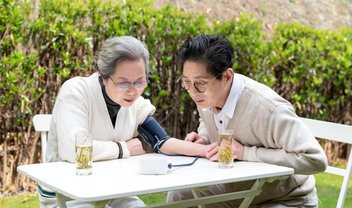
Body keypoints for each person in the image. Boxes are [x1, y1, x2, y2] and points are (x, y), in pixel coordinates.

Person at [41, 36, 209, 208]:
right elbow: (73, 150)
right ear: (104, 76)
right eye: (123, 83)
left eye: (139, 81)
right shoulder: (76, 92)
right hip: (66, 190)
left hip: (112, 187)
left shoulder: (135, 104)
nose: (132, 91)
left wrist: (206, 150)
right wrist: (123, 148)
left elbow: (162, 142)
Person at [167, 34, 328, 207]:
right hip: (239, 192)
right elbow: (205, 120)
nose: (192, 92)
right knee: (179, 195)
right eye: (186, 83)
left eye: (199, 83)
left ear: (227, 76)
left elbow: (316, 160)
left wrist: (245, 152)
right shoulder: (206, 98)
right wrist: (204, 137)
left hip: (287, 199)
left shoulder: (269, 110)